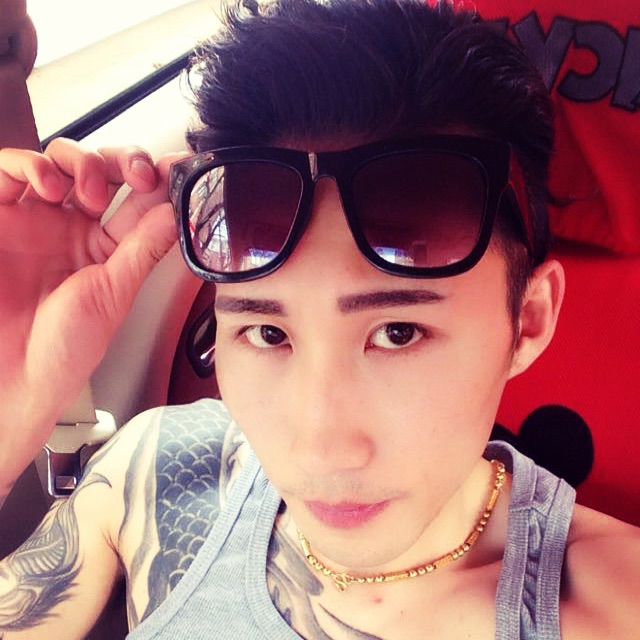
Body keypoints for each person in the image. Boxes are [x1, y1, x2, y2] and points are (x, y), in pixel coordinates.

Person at [0, 0, 638, 638]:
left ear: (528, 321)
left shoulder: (612, 605)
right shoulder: (156, 473)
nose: (319, 450)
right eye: (268, 334)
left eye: (397, 334)